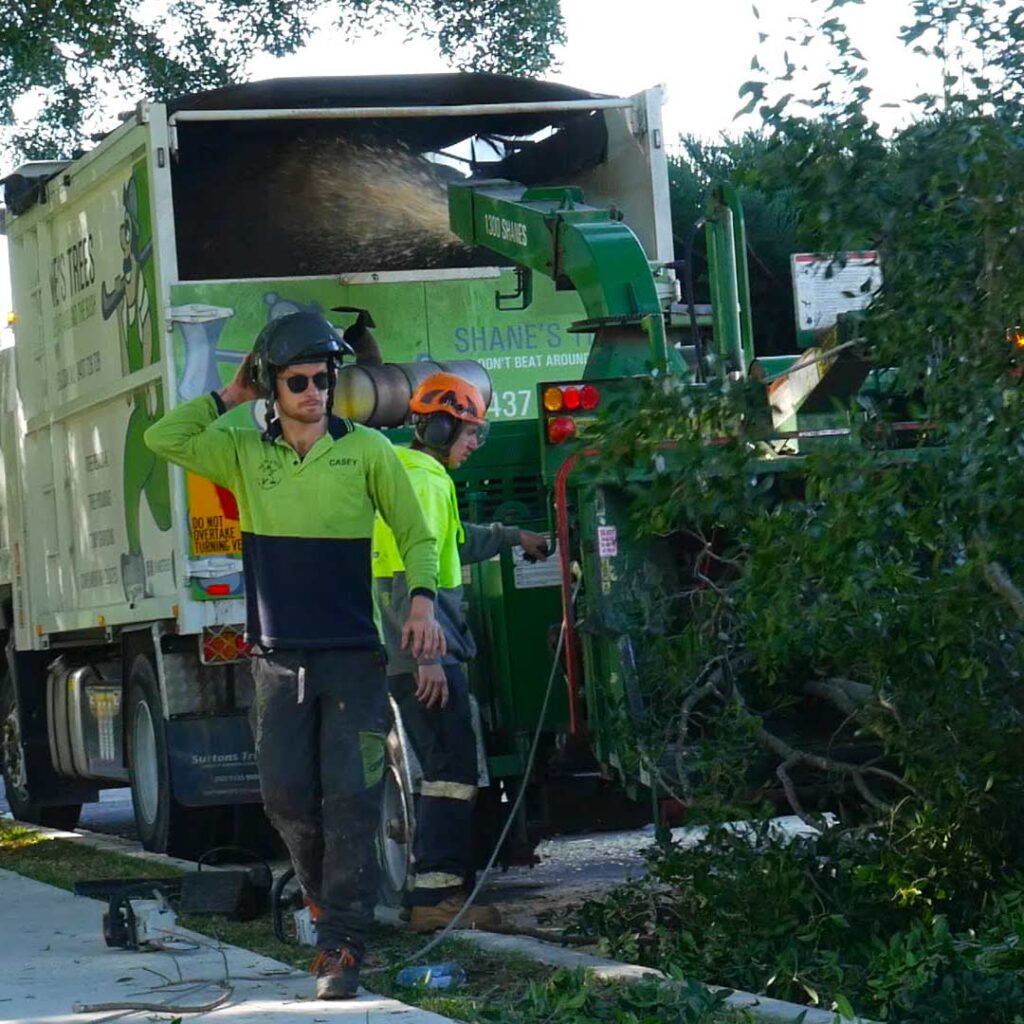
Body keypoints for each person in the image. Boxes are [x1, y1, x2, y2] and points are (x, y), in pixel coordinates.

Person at [144, 311, 445, 999]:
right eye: (298, 381)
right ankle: (321, 904)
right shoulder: (245, 456)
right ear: (273, 387)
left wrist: (423, 603)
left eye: (323, 379)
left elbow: (416, 534)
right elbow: (165, 437)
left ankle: (342, 946)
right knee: (286, 799)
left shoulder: (368, 451)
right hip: (277, 663)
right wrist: (233, 396)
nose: (314, 392)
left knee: (351, 800)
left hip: (353, 659)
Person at [372, 372, 549, 932]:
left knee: (447, 771)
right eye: (470, 433)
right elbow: (407, 573)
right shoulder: (422, 479)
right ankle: (437, 900)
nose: (474, 444)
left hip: (422, 650)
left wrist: (512, 536)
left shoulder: (419, 476)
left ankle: (440, 893)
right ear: (442, 425)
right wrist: (425, 654)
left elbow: (454, 542)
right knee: (449, 773)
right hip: (426, 653)